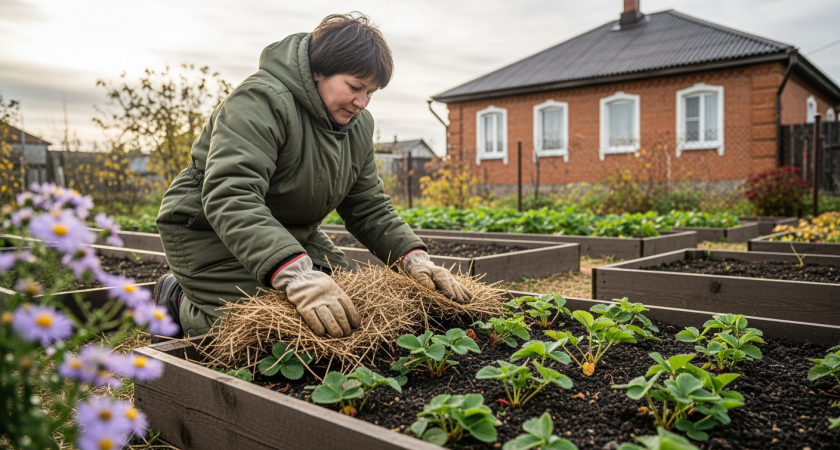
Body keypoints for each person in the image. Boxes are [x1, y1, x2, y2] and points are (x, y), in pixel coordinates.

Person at [152, 13, 472, 340]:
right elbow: (231, 195)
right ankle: (176, 300)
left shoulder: (358, 126)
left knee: (354, 311)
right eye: (354, 87)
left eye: (371, 92)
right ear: (318, 71)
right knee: (274, 328)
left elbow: (369, 207)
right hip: (209, 232)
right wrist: (297, 275)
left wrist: (414, 258)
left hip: (288, 232)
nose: (362, 103)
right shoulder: (261, 101)